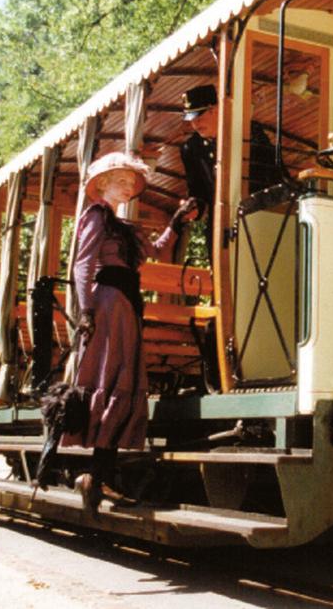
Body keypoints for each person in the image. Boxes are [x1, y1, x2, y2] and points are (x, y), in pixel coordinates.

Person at [71, 151, 195, 512]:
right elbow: (83, 265)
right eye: (121, 181)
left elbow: (152, 252)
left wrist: (176, 220)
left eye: (130, 183)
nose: (128, 188)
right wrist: (86, 311)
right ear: (103, 183)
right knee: (112, 380)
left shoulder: (121, 226)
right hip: (109, 303)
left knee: (121, 381)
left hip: (126, 303)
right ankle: (96, 475)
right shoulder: (96, 216)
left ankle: (98, 477)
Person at [179, 84, 281, 255]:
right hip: (219, 229)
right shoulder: (191, 149)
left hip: (257, 221)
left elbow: (272, 176)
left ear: (216, 109)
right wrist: (194, 208)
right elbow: (198, 193)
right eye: (191, 119)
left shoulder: (249, 132)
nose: (195, 124)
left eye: (199, 116)